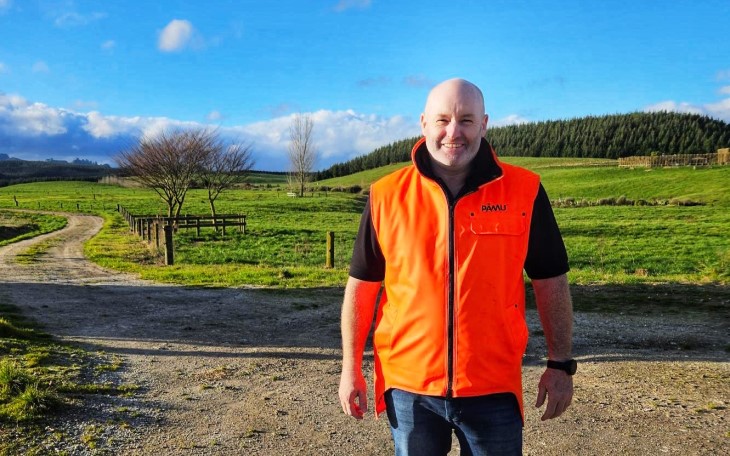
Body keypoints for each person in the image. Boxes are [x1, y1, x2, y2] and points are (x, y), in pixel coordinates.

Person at [338, 78, 575, 455]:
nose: (453, 132)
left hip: (493, 385)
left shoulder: (524, 190)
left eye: (466, 120)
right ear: (423, 123)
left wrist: (561, 364)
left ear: (484, 124)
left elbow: (551, 281)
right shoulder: (386, 196)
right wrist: (351, 366)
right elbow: (361, 287)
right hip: (409, 387)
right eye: (442, 119)